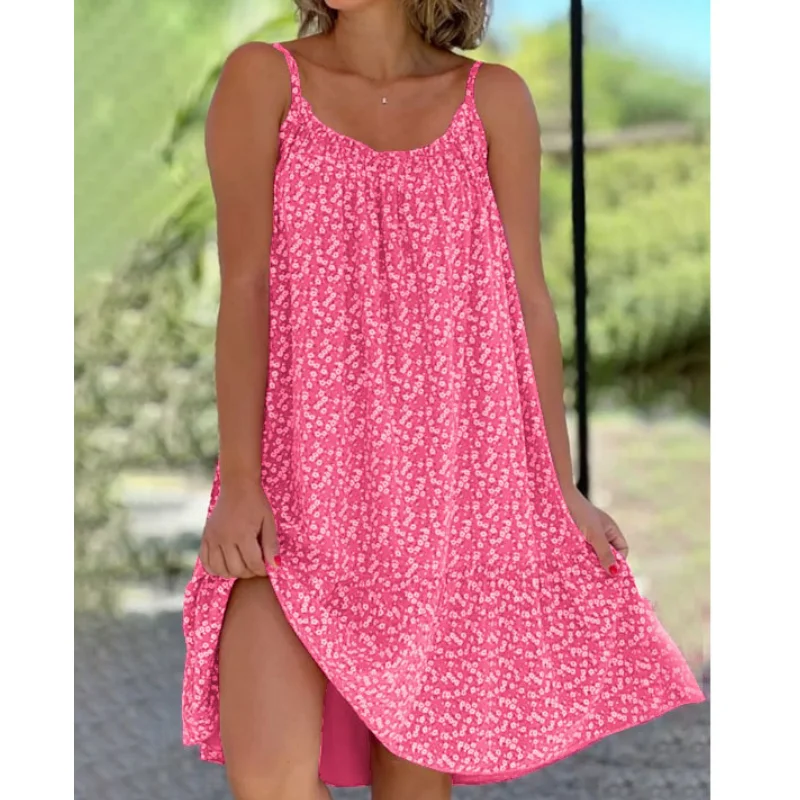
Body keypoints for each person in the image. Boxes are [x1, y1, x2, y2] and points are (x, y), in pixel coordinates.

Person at [181, 1, 705, 798]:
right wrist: (243, 482)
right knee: (268, 781)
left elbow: (529, 303)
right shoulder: (264, 80)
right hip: (295, 489)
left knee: (413, 786)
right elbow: (245, 287)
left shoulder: (493, 100)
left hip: (446, 504)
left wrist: (560, 489)